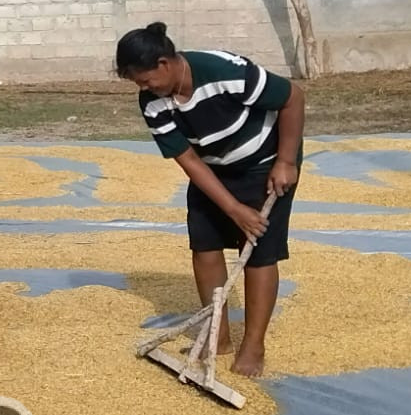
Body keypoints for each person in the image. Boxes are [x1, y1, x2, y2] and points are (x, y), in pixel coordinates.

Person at [113, 22, 305, 378]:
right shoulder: (153, 103)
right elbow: (188, 159)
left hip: (265, 163)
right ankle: (218, 337)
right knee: (204, 246)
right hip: (213, 169)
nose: (143, 88)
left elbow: (293, 97)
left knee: (258, 251)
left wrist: (286, 161)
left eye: (146, 80)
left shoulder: (226, 72)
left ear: (164, 63)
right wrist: (232, 208)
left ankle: (253, 345)